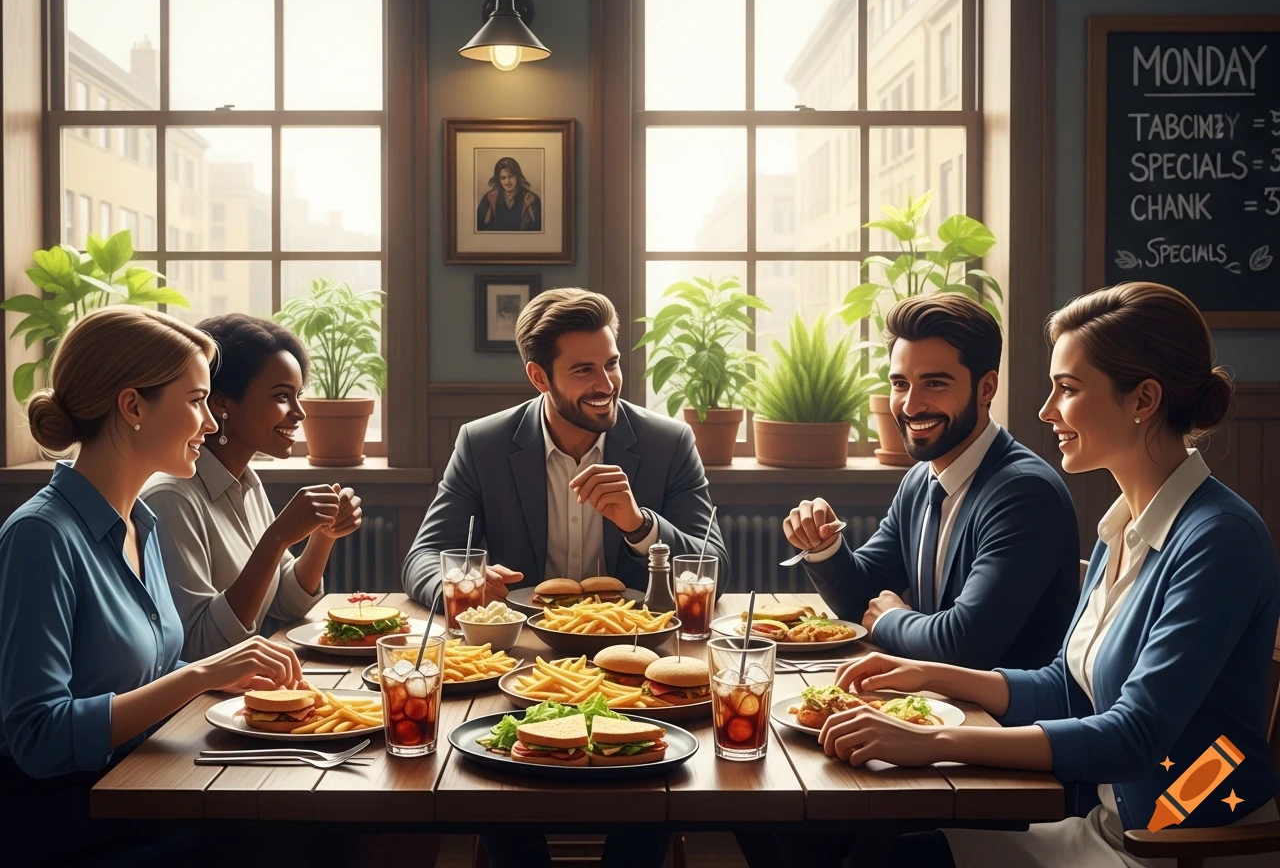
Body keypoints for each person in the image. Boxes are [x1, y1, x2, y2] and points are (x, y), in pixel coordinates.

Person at [826, 282, 1279, 868]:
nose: (1046, 411)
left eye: (1067, 389)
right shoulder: (1123, 527)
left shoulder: (1218, 538)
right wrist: (921, 672)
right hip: (1108, 831)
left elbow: (1133, 737)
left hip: (1181, 849)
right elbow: (1069, 689)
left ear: (1142, 400)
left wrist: (931, 741)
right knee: (880, 853)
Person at [404, 287, 727, 868]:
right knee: (499, 789)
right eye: (583, 369)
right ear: (538, 376)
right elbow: (424, 558)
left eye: (612, 363)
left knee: (649, 788)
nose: (606, 381)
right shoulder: (483, 443)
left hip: (640, 660)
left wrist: (639, 525)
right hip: (522, 665)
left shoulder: (666, 442)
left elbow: (712, 565)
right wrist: (469, 585)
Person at [0, 307, 306, 860]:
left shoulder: (142, 521)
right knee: (300, 837)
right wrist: (200, 675)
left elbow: (159, 677)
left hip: (155, 790)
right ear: (133, 406)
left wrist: (236, 692)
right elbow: (38, 738)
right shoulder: (40, 537)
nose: (211, 423)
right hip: (79, 825)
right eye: (195, 403)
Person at [784, 294, 1079, 670]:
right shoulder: (921, 480)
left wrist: (891, 619)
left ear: (986, 388)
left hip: (997, 724)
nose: (910, 406)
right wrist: (824, 545)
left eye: (934, 383)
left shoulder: (1025, 494)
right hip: (931, 706)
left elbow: (963, 644)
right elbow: (863, 599)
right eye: (900, 384)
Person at [143, 314, 362, 661]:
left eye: (298, 395)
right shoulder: (170, 500)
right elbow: (202, 648)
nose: (299, 412)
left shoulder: (246, 481)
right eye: (281, 396)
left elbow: (285, 604)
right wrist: (276, 538)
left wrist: (324, 535)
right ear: (222, 402)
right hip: (204, 704)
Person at [477, 156, 542, 232]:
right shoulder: (489, 198)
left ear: (517, 177)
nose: (507, 181)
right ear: (498, 179)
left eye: (511, 176)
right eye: (503, 178)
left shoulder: (532, 199)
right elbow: (480, 228)